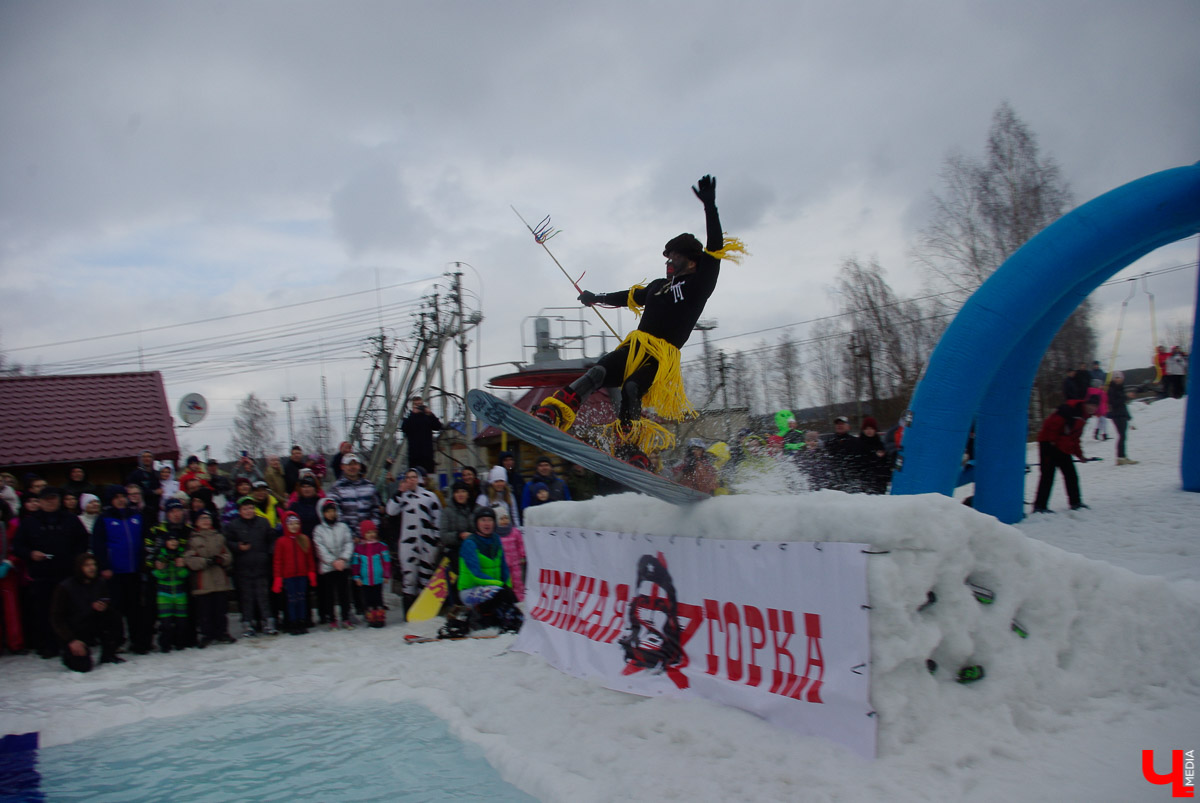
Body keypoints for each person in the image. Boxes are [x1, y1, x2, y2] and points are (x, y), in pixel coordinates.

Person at [535, 174, 745, 464]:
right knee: (597, 373)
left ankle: (629, 446)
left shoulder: (700, 283)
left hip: (660, 356)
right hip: (635, 348)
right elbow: (629, 296)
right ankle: (557, 411)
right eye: (667, 257)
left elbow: (715, 246)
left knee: (632, 389)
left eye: (673, 257)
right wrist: (597, 297)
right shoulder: (659, 285)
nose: (668, 261)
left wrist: (710, 206)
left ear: (690, 259)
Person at [91, 485, 152, 654]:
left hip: (135, 570)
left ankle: (139, 642)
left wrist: (145, 562)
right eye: (116, 496)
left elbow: (146, 540)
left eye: (122, 496)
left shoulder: (136, 516)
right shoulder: (103, 519)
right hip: (115, 572)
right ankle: (116, 641)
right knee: (115, 609)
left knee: (135, 609)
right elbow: (98, 545)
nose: (120, 499)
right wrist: (104, 566)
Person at [50, 554, 124, 672]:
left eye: (93, 564)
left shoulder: (100, 583)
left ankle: (108, 653)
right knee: (82, 666)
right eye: (87, 565)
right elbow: (57, 618)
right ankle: (68, 654)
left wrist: (102, 607)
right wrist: (71, 640)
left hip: (91, 623)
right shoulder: (65, 587)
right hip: (72, 630)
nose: (92, 568)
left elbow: (107, 601)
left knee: (113, 616)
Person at [457, 507, 523, 632]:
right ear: (477, 523)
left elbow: (504, 567)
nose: (486, 524)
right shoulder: (470, 543)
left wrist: (507, 586)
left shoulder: (496, 540)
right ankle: (475, 616)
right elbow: (475, 574)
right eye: (483, 520)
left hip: (494, 589)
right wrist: (501, 586)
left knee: (507, 601)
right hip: (470, 591)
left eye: (490, 520)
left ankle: (503, 618)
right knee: (498, 593)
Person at [388, 467, 443, 612]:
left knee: (425, 576)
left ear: (418, 479)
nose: (411, 480)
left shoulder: (429, 496)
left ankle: (424, 610)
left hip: (427, 542)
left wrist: (436, 538)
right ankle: (408, 612)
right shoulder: (402, 497)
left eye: (414, 477)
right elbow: (390, 511)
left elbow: (437, 517)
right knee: (409, 577)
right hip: (408, 542)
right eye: (408, 477)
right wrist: (399, 492)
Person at [1031, 398, 1098, 513]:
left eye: (1095, 406)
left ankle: (1075, 502)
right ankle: (1040, 506)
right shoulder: (1071, 410)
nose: (1092, 408)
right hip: (1048, 443)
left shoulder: (1082, 417)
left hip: (1062, 447)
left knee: (1071, 475)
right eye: (1090, 405)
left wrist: (1080, 455)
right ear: (1086, 404)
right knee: (1048, 475)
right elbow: (1054, 423)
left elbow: (1074, 439)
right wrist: (1052, 442)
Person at [225, 496, 277, 637]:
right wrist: (238, 546)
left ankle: (268, 622)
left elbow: (272, 538)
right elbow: (227, 542)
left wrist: (269, 553)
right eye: (245, 509)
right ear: (240, 511)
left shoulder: (263, 522)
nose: (248, 511)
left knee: (263, 596)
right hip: (243, 567)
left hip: (262, 565)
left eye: (251, 508)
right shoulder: (234, 525)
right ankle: (248, 624)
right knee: (246, 597)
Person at [184, 511, 235, 646]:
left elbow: (228, 556)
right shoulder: (193, 539)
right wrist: (205, 561)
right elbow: (189, 559)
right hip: (203, 581)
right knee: (204, 611)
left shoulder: (219, 537)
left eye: (208, 518)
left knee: (221, 609)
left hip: (219, 580)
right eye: (202, 518)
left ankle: (222, 632)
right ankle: (207, 634)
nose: (206, 521)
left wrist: (220, 560)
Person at [313, 499, 355, 629]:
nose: (331, 514)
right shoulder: (319, 530)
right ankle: (331, 618)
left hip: (342, 565)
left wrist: (343, 559)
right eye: (328, 512)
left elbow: (348, 543)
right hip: (328, 568)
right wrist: (332, 561)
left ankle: (346, 617)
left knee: (344, 593)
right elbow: (320, 548)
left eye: (333, 511)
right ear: (323, 514)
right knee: (329, 595)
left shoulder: (343, 527)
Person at [272, 512, 317, 635]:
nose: (294, 526)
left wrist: (311, 572)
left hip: (302, 575)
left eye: (296, 523)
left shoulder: (304, 539)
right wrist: (278, 578)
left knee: (301, 599)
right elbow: (278, 561)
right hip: (288, 577)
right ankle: (293, 622)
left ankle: (302, 621)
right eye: (291, 524)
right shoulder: (281, 542)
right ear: (286, 525)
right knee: (291, 600)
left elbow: (309, 558)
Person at [151, 529, 191, 652]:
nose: (174, 542)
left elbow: (185, 574)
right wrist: (162, 568)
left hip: (180, 593)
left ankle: (180, 643)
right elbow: (158, 575)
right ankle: (165, 644)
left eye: (175, 540)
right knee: (166, 622)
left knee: (181, 622)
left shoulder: (182, 555)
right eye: (170, 540)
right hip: (164, 593)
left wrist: (180, 567)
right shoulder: (161, 555)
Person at [329, 454, 380, 535]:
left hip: (368, 537)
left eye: (355, 464)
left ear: (359, 466)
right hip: (346, 537)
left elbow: (375, 509)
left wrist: (372, 529)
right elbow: (336, 512)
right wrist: (350, 534)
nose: (352, 467)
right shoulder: (336, 488)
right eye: (349, 464)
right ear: (343, 467)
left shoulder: (369, 486)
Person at [352, 520, 391, 628]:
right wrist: (356, 576)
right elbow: (356, 563)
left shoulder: (381, 546)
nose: (371, 535)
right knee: (368, 599)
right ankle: (371, 619)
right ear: (363, 534)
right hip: (365, 579)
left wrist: (386, 575)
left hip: (378, 578)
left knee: (378, 598)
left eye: (373, 532)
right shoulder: (359, 548)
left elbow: (386, 561)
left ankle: (380, 618)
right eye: (368, 532)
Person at [400, 396, 444, 474]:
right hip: (414, 455)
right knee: (414, 475)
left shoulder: (427, 417)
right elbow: (404, 428)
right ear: (412, 406)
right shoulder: (409, 418)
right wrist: (413, 414)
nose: (418, 406)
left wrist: (430, 414)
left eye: (420, 404)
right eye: (416, 404)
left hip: (427, 454)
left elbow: (438, 426)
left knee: (429, 477)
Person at [1106, 372, 1138, 465]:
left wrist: (1128, 417)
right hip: (1116, 415)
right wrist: (1126, 396)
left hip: (1122, 414)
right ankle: (1120, 457)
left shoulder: (1120, 388)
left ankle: (1122, 456)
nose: (1117, 379)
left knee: (1123, 436)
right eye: (1115, 378)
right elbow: (1114, 403)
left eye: (1119, 377)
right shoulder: (1111, 389)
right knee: (1122, 436)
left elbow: (1123, 404)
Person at [496, 508, 526, 602]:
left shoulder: (514, 532)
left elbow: (520, 544)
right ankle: (508, 600)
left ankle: (520, 600)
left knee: (518, 583)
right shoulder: (495, 535)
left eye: (506, 518)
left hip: (515, 563)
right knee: (507, 583)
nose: (504, 521)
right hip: (503, 566)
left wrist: (522, 555)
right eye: (501, 519)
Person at [856, 417, 891, 495]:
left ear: (875, 429)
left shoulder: (880, 444)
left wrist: (887, 476)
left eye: (871, 428)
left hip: (880, 482)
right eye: (867, 428)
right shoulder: (858, 444)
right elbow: (860, 462)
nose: (869, 431)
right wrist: (875, 456)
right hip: (864, 481)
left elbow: (885, 463)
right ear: (863, 430)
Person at [824, 416, 859, 492]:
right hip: (835, 479)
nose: (839, 426)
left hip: (852, 479)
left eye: (842, 424)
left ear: (848, 426)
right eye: (837, 424)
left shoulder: (855, 442)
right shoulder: (829, 442)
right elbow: (825, 460)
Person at [126, 450, 163, 519]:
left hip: (156, 511)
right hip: (141, 511)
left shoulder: (156, 474)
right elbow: (132, 492)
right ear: (140, 459)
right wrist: (153, 492)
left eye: (149, 456)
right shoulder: (135, 475)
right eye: (144, 457)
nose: (147, 459)